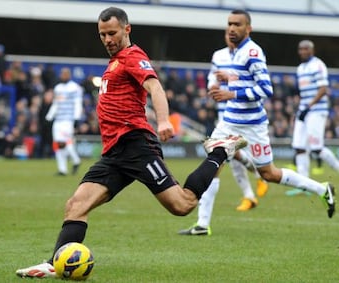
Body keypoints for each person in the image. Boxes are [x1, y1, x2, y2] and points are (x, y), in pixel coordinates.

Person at [15, 7, 248, 278]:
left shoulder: (133, 56)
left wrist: (163, 121)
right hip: (114, 153)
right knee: (76, 206)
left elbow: (155, 87)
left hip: (137, 145)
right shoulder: (113, 63)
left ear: (127, 29)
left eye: (112, 33)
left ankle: (220, 150)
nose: (107, 39)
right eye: (102, 34)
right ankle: (55, 264)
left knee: (182, 205)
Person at [205, 10, 335, 220]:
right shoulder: (237, 51)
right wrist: (230, 76)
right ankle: (202, 223)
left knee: (269, 174)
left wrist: (231, 92)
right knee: (213, 162)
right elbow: (246, 78)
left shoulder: (252, 52)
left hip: (252, 124)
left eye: (237, 24)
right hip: (229, 121)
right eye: (229, 24)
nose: (231, 28)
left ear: (249, 28)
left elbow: (266, 90)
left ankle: (322, 189)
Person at [178, 30, 269, 236]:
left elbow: (258, 85)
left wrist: (230, 84)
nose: (231, 35)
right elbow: (212, 78)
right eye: (228, 31)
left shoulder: (247, 54)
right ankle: (251, 189)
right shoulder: (219, 56)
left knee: (221, 160)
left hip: (244, 115)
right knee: (222, 160)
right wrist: (214, 85)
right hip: (225, 114)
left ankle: (254, 184)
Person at [286, 40, 339, 196]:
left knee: (316, 148)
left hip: (316, 110)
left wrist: (308, 107)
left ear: (312, 50)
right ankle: (304, 185)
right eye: (300, 49)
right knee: (299, 147)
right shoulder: (301, 68)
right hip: (304, 110)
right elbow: (302, 92)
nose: (302, 51)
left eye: (305, 49)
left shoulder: (318, 65)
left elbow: (323, 89)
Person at [46, 67, 83, 176]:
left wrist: (76, 118)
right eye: (62, 74)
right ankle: (63, 169)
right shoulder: (58, 88)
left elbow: (78, 103)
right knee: (57, 144)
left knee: (65, 142)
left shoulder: (75, 88)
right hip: (58, 120)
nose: (63, 76)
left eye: (65, 74)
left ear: (69, 75)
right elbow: (56, 104)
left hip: (68, 120)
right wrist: (49, 117)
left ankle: (75, 160)